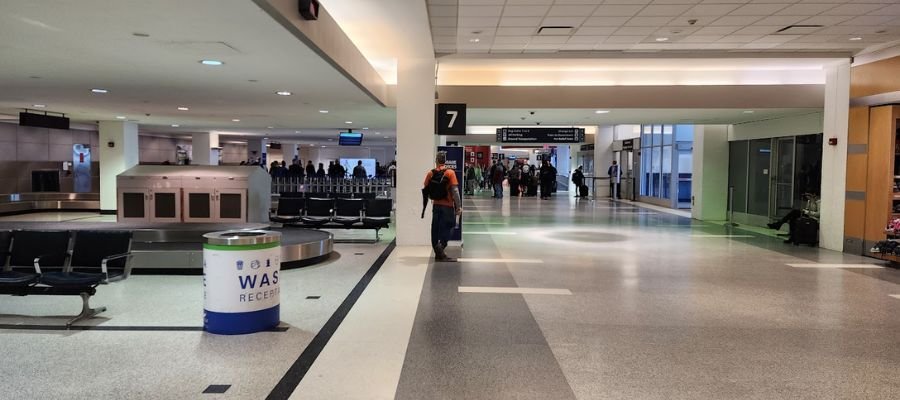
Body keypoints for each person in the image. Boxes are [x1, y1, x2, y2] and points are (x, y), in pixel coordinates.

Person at [422, 151, 461, 262]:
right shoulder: (450, 173)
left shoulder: (430, 173)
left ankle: (437, 253)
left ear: (436, 161)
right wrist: (458, 207)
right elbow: (455, 191)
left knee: (435, 229)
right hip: (448, 205)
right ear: (445, 161)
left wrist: (433, 198)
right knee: (450, 226)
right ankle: (441, 247)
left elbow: (426, 189)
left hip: (436, 206)